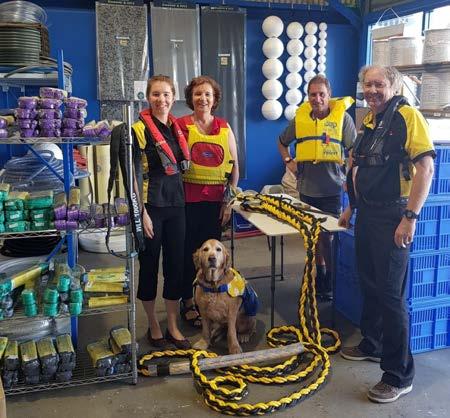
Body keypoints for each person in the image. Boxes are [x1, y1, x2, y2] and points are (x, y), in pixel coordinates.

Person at [339, 65, 435, 403]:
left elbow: (426, 168)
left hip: (394, 215)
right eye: (368, 84)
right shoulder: (369, 120)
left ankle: (398, 375)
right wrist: (351, 207)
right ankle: (374, 343)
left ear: (393, 85)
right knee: (369, 283)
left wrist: (410, 217)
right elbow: (357, 167)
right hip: (367, 214)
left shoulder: (408, 117)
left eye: (379, 84)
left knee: (392, 295)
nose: (372, 90)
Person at [278, 74, 356, 300]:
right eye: (313, 95)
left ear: (329, 95)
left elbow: (354, 152)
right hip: (306, 189)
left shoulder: (343, 119)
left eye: (322, 94)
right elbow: (282, 142)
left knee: (327, 238)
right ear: (308, 96)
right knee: (313, 238)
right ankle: (319, 275)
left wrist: (348, 178)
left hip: (332, 190)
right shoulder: (300, 119)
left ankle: (330, 279)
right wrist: (289, 161)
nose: (317, 99)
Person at [132, 75, 191, 349]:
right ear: (148, 97)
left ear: (173, 97)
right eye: (156, 94)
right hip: (152, 206)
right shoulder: (138, 130)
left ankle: (172, 324)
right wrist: (141, 213)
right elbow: (133, 175)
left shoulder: (177, 129)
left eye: (166, 94)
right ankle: (153, 324)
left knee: (175, 266)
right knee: (149, 266)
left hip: (177, 205)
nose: (161, 100)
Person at [177, 76, 239, 327]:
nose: (202, 99)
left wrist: (228, 203)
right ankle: (187, 301)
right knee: (186, 255)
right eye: (197, 94)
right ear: (190, 98)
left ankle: (212, 302)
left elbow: (235, 168)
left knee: (213, 258)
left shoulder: (224, 127)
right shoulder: (180, 125)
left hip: (215, 204)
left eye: (207, 95)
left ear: (214, 99)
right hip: (186, 202)